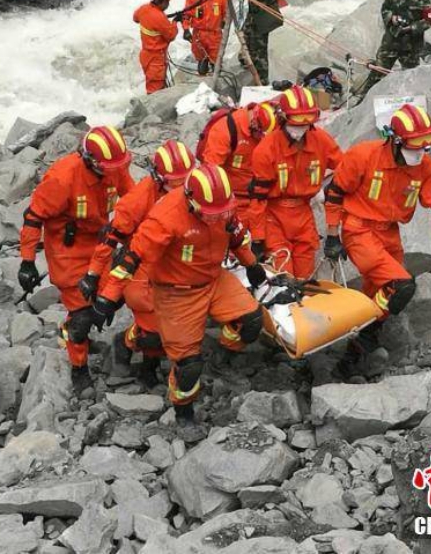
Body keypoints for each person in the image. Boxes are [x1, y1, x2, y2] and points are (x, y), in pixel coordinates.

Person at [324, 104, 431, 380]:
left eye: (425, 147)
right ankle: (363, 337)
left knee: (377, 294)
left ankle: (353, 351)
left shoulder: (424, 167)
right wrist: (331, 235)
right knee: (400, 285)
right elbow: (335, 193)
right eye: (415, 146)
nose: (420, 153)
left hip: (389, 233)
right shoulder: (364, 156)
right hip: (358, 229)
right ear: (395, 141)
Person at [105, 164, 266, 438]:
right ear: (191, 200)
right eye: (209, 215)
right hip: (177, 292)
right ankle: (184, 411)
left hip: (214, 278)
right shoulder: (166, 217)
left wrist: (251, 264)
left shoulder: (220, 204)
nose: (215, 219)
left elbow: (236, 235)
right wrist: (107, 297)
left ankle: (220, 361)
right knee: (188, 365)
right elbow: (133, 258)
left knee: (251, 322)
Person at [18, 126, 134, 395]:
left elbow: (134, 199)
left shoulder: (113, 168)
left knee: (117, 295)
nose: (116, 171)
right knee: (82, 316)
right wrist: (27, 261)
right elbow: (33, 217)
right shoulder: (63, 178)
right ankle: (78, 366)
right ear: (91, 160)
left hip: (100, 245)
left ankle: (75, 327)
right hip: (67, 253)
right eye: (110, 167)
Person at [83, 140, 195, 386]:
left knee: (177, 319)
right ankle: (130, 346)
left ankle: (149, 362)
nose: (179, 189)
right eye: (174, 184)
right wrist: (94, 277)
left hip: (180, 261)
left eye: (183, 183)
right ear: (158, 177)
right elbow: (109, 243)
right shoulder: (137, 201)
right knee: (153, 329)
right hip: (143, 265)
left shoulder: (195, 193)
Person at [248, 85, 342, 278]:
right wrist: (257, 239)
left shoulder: (320, 140)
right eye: (297, 121)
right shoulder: (267, 150)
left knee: (304, 276)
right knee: (285, 275)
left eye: (307, 122)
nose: (302, 127)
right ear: (283, 117)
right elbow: (257, 198)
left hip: (304, 215)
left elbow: (346, 169)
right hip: (274, 217)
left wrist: (334, 230)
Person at [358, 0, 431, 97]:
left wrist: (412, 27)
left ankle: (409, 102)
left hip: (411, 44)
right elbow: (384, 9)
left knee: (410, 76)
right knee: (378, 71)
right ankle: (363, 100)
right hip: (392, 40)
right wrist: (392, 18)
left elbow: (430, 20)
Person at [199, 102, 277, 226]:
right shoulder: (225, 129)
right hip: (234, 199)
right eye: (260, 135)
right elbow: (210, 173)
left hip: (263, 198)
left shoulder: (274, 130)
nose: (262, 141)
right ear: (254, 124)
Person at [133, 0, 179, 93]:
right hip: (156, 59)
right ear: (159, 1)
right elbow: (171, 35)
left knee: (155, 84)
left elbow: (135, 18)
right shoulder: (159, 17)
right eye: (167, 1)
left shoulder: (144, 8)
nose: (168, 4)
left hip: (146, 55)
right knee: (155, 90)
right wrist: (175, 21)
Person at [182, 0, 227, 76]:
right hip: (199, 35)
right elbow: (186, 15)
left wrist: (224, 22)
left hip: (215, 35)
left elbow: (226, 13)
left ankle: (216, 82)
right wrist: (186, 29)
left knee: (216, 63)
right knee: (202, 64)